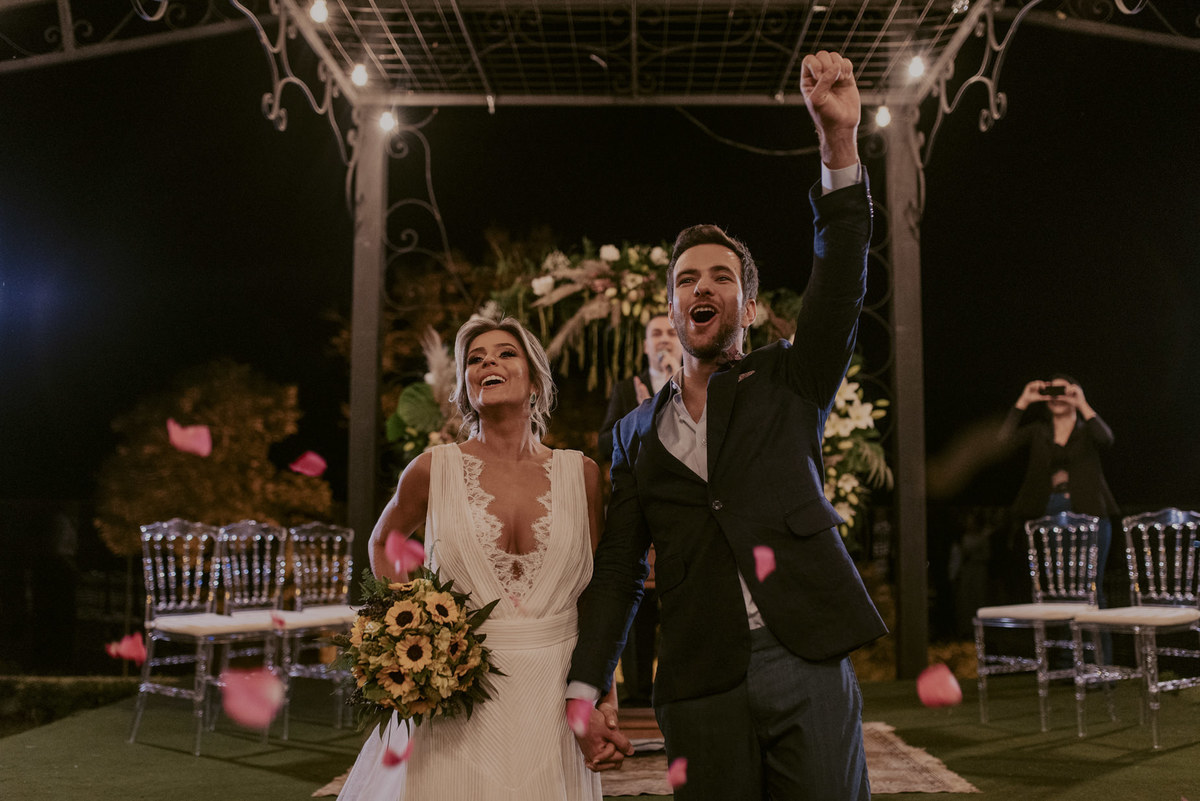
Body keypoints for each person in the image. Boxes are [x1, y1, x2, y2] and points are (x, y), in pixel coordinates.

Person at [566, 50, 887, 799]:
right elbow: (617, 570)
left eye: (720, 277)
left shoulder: (790, 378)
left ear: (748, 305)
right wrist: (587, 685)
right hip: (699, 678)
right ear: (672, 311)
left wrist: (838, 145)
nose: (701, 287)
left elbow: (840, 268)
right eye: (686, 280)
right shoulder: (633, 434)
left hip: (803, 653)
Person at [337, 313, 622, 801]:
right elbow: (384, 542)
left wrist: (603, 694)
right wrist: (410, 626)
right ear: (466, 389)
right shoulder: (432, 469)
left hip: (553, 689)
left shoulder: (584, 475)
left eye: (505, 353)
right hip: (457, 692)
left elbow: (600, 594)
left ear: (534, 380)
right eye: (474, 358)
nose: (488, 361)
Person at [596, 314, 682, 707]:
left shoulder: (695, 382)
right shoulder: (626, 388)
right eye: (656, 335)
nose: (664, 340)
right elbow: (605, 440)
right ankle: (637, 690)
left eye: (669, 333)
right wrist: (645, 408)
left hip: (683, 503)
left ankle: (679, 679)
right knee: (636, 598)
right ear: (645, 346)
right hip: (639, 503)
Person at [1001, 376, 1118, 611]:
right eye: (1051, 391)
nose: (1057, 396)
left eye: (1062, 390)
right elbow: (1002, 442)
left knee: (1092, 587)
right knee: (1061, 588)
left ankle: (1096, 648)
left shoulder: (1087, 431)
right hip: (1049, 509)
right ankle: (1068, 648)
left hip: (1089, 509)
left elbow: (1106, 439)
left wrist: (1081, 402)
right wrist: (1024, 400)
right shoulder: (1038, 431)